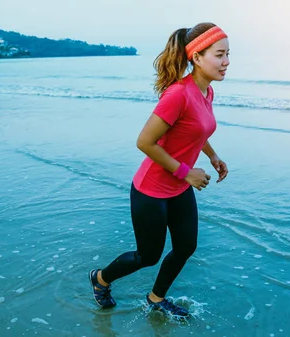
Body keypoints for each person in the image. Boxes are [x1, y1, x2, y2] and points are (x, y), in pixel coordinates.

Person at [89, 22, 230, 318]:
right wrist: (187, 172)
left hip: (178, 188)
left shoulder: (206, 92)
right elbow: (144, 142)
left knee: (186, 246)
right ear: (196, 57)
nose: (226, 62)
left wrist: (213, 156)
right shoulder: (178, 94)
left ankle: (156, 297)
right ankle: (100, 279)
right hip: (151, 190)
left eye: (228, 54)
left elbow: (196, 130)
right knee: (148, 256)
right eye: (219, 55)